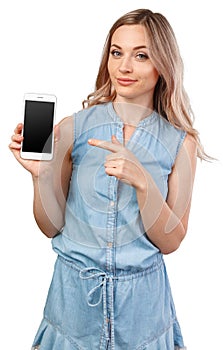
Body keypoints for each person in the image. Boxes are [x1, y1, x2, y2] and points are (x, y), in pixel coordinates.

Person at [9, 8, 206, 350]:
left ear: (162, 65)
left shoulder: (180, 143)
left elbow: (171, 242)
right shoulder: (72, 128)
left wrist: (143, 183)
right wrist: (41, 178)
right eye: (117, 53)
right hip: (73, 310)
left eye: (140, 55)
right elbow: (50, 226)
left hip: (142, 314)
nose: (124, 67)